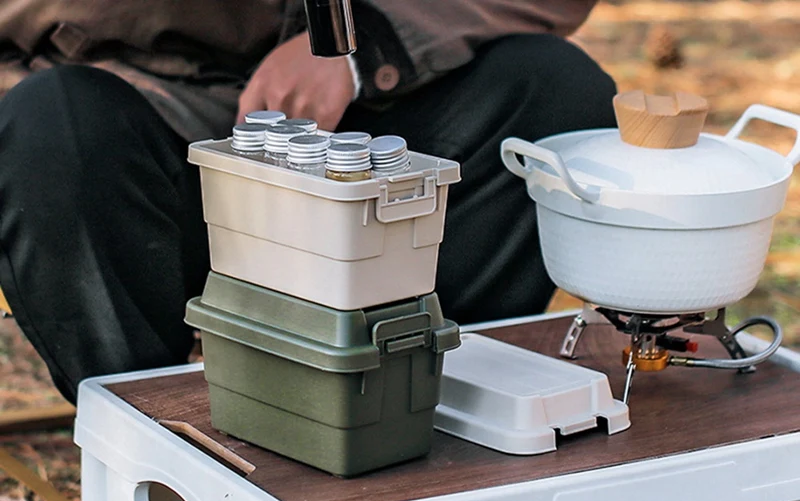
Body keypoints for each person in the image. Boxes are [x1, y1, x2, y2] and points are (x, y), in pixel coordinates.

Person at [0, 1, 616, 404]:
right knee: (48, 128)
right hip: (127, 111)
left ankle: (426, 397)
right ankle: (157, 449)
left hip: (381, 105)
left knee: (551, 87)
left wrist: (364, 45)